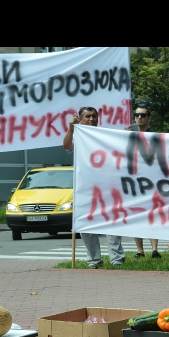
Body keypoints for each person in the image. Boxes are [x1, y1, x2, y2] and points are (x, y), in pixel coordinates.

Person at [63, 107, 126, 269]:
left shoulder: (104, 136)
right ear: (80, 119)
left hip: (107, 187)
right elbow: (67, 146)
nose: (91, 119)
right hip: (85, 188)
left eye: (94, 116)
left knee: (112, 222)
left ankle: (117, 258)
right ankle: (94, 260)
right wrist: (71, 128)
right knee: (86, 225)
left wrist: (126, 136)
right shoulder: (77, 136)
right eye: (88, 116)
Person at [126, 105, 160, 259]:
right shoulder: (129, 135)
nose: (139, 117)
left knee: (152, 214)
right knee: (136, 215)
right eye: (137, 115)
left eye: (143, 115)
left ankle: (154, 249)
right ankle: (140, 251)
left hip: (151, 182)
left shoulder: (156, 137)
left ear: (149, 118)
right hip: (134, 181)